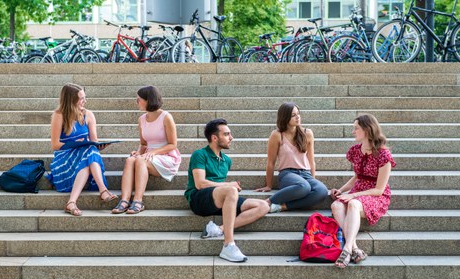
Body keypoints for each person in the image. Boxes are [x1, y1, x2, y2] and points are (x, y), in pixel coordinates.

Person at [185, 119, 270, 262]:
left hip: (218, 199)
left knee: (263, 206)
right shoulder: (199, 154)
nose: (231, 137)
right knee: (231, 190)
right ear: (214, 138)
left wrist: (228, 187)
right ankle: (228, 245)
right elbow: (200, 184)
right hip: (198, 199)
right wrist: (228, 185)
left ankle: (219, 229)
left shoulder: (226, 160)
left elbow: (222, 187)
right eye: (226, 134)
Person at [330, 114, 396, 268]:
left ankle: (346, 249)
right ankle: (355, 248)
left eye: (356, 128)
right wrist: (340, 190)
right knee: (336, 206)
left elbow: (379, 190)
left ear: (367, 130)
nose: (353, 131)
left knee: (352, 204)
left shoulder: (383, 155)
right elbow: (357, 177)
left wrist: (353, 195)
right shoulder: (355, 150)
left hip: (375, 195)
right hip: (359, 191)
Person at [48, 83, 117, 216]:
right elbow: (55, 145)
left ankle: (71, 202)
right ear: (70, 100)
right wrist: (75, 143)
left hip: (85, 157)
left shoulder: (89, 115)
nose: (84, 101)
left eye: (84, 97)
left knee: (90, 149)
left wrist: (99, 146)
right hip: (64, 160)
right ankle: (103, 190)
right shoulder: (59, 115)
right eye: (81, 98)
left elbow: (94, 141)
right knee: (88, 151)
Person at [112, 86, 181, 214]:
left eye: (139, 99)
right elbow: (144, 143)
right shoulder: (142, 119)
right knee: (130, 160)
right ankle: (125, 200)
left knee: (140, 161)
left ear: (148, 100)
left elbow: (173, 144)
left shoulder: (166, 117)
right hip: (148, 155)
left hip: (166, 155)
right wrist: (139, 152)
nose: (137, 102)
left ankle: (138, 201)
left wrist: (152, 152)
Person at [255, 102, 328, 212]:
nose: (297, 117)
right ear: (285, 117)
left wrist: (312, 179)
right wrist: (268, 185)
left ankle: (282, 206)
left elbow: (311, 161)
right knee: (304, 187)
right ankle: (268, 202)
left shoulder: (307, 133)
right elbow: (271, 162)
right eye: (293, 115)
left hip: (306, 174)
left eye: (298, 114)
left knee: (322, 191)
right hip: (287, 174)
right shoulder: (277, 135)